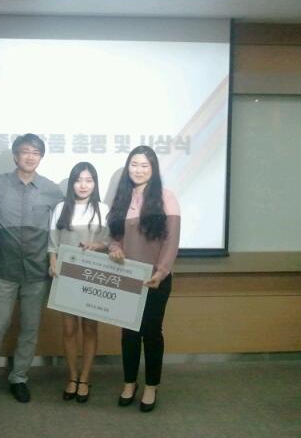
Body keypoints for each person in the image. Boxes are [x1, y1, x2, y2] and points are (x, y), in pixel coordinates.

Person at [0, 133, 64, 404]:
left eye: (36, 152)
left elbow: (65, 222)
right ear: (15, 156)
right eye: (25, 151)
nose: (30, 156)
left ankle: (19, 378)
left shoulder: (51, 190)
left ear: (41, 157)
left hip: (37, 271)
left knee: (29, 327)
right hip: (4, 269)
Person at [107, 145, 180, 412]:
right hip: (127, 277)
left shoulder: (166, 197)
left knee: (151, 333)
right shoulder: (122, 199)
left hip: (155, 279)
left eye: (144, 165)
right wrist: (114, 248)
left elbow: (171, 240)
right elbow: (115, 236)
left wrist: (160, 272)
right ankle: (129, 383)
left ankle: (151, 386)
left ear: (153, 169)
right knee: (128, 333)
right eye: (134, 164)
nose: (138, 170)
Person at [48, 162, 110, 403]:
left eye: (89, 180)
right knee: (69, 329)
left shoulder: (103, 209)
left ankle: (85, 378)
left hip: (93, 277)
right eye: (78, 180)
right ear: (72, 183)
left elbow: (110, 243)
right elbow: (53, 243)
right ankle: (72, 377)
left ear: (95, 184)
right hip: (66, 276)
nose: (83, 185)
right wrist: (53, 262)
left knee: (90, 328)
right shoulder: (61, 208)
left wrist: (98, 245)